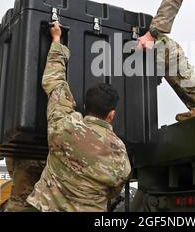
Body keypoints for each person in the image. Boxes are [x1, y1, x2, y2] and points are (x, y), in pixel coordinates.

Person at [26, 21, 131, 212]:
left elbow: (54, 81)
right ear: (111, 114)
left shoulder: (64, 125)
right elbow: (114, 190)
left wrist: (57, 39)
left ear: (84, 106)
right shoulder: (120, 152)